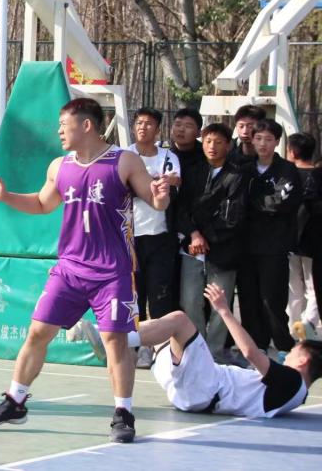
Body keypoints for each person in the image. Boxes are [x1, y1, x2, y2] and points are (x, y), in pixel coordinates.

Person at [0, 98, 170, 443]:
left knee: (115, 341)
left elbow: (155, 201)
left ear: (87, 125)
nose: (59, 131)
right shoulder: (59, 166)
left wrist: (161, 194)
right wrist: (5, 196)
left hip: (112, 271)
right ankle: (15, 401)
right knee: (37, 332)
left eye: (64, 125)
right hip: (70, 269)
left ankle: (123, 413)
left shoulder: (123, 161)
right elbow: (41, 203)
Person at [75, 284, 319, 419]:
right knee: (158, 333)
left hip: (207, 386)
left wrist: (224, 310)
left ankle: (106, 337)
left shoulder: (292, 381)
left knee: (179, 321)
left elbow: (250, 353)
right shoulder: (297, 394)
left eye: (295, 350)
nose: (288, 353)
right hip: (194, 394)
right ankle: (116, 347)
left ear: (304, 359)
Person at [174, 123, 247, 362]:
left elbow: (232, 216)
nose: (212, 146)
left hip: (224, 250)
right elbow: (181, 208)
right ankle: (197, 348)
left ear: (228, 145)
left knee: (219, 305)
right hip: (192, 248)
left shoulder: (237, 176)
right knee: (189, 300)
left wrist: (204, 237)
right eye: (208, 141)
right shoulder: (193, 171)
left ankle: (214, 352)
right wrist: (193, 234)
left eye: (218, 142)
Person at [239, 119, 302, 356]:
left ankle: (283, 346)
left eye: (268, 139)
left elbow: (278, 204)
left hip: (274, 246)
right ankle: (256, 347)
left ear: (277, 142)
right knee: (249, 299)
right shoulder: (245, 170)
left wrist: (251, 203)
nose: (263, 144)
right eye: (258, 138)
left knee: (272, 299)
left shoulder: (287, 170)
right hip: (245, 246)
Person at [126, 107, 182, 368]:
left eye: (149, 123)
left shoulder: (168, 156)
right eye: (139, 123)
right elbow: (123, 186)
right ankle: (134, 346)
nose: (143, 127)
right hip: (130, 237)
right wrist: (151, 182)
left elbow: (174, 181)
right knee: (134, 296)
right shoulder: (125, 155)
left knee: (159, 295)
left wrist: (152, 182)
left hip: (160, 236)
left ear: (158, 129)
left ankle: (157, 348)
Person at [286, 133, 321, 340]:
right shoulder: (317, 175)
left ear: (291, 151)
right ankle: (307, 325)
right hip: (313, 241)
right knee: (313, 286)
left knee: (294, 288)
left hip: (290, 239)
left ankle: (294, 329)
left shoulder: (288, 174)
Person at [168, 108, 205, 175]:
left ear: (199, 133)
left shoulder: (206, 154)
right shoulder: (162, 150)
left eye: (188, 126)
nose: (181, 129)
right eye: (178, 125)